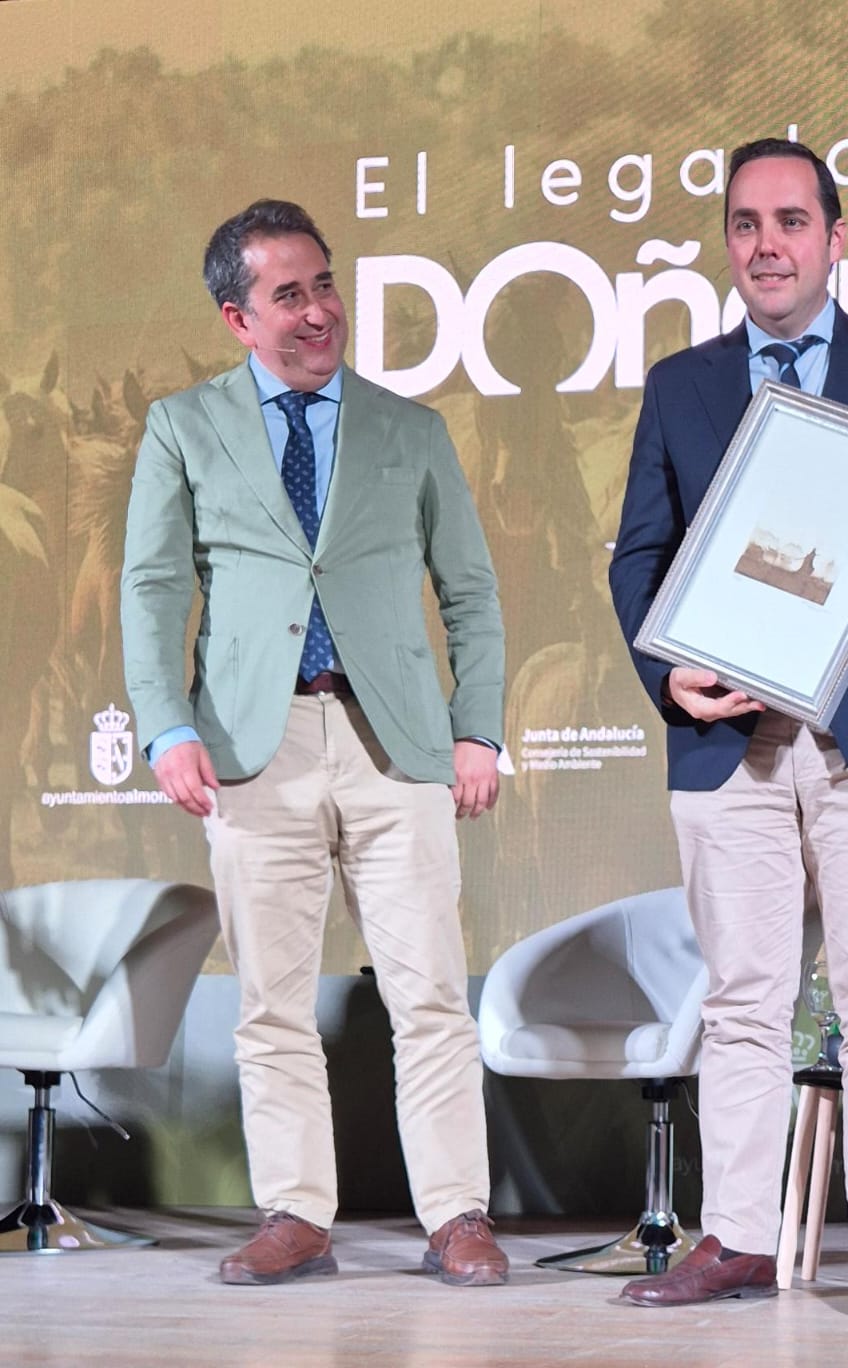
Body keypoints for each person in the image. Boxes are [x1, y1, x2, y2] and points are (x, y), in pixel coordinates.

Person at [609, 138, 848, 1317]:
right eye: (744, 224)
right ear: (726, 244)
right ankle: (733, 1234)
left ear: (834, 240)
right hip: (729, 740)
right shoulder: (681, 383)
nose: (766, 244)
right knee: (741, 995)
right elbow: (641, 557)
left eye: (790, 221)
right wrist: (667, 677)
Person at [121, 200, 510, 1288]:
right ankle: (296, 1214)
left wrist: (476, 724)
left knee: (430, 991)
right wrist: (165, 726)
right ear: (237, 316)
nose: (317, 311)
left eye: (324, 285)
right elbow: (152, 589)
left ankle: (458, 1216)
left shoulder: (410, 427)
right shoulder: (180, 427)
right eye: (288, 294)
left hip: (399, 744)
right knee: (270, 1003)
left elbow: (471, 594)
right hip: (255, 740)